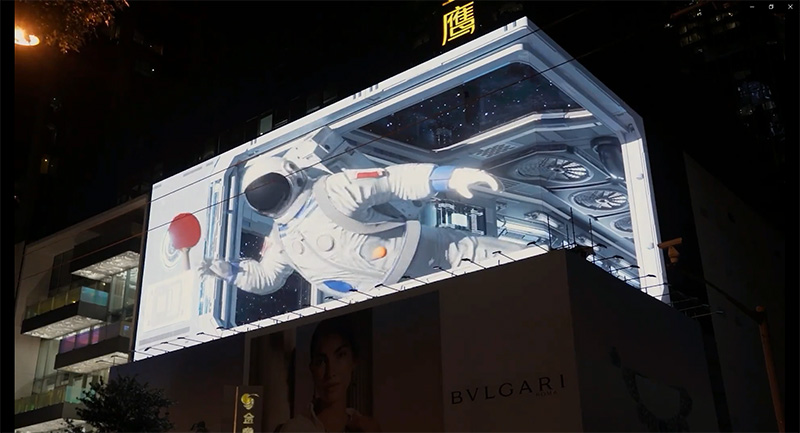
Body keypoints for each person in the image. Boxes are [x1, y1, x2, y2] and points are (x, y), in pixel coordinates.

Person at [199, 151, 526, 298]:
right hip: (412, 284)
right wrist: (229, 272)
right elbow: (267, 278)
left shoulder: (328, 194)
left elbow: (394, 181)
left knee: (508, 266)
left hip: (429, 264)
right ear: (292, 174)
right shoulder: (289, 231)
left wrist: (450, 177)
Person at [276, 316, 380, 432]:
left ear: (354, 361)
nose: (330, 372)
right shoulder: (296, 429)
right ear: (312, 369)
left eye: (340, 355)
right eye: (321, 361)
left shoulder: (365, 427)